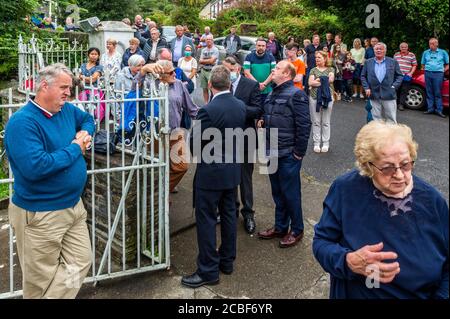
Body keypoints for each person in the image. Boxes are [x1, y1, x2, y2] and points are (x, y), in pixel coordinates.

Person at [313, 121, 449, 299]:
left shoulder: (432, 200)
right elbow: (322, 242)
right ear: (368, 165)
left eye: (406, 164)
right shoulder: (345, 190)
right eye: (387, 168)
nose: (400, 175)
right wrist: (347, 262)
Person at [5, 63, 95, 299]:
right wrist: (76, 148)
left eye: (70, 87)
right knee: (39, 283)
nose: (69, 93)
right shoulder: (22, 123)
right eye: (64, 87)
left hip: (73, 207)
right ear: (44, 86)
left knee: (81, 261)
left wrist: (85, 133)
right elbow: (37, 167)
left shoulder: (64, 110)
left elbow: (87, 118)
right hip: (41, 214)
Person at [181, 65, 246, 288]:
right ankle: (227, 261)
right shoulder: (240, 106)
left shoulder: (207, 110)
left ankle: (208, 270)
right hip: (232, 171)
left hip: (211, 174)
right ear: (229, 84)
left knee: (207, 220)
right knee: (228, 216)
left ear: (210, 84)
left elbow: (195, 145)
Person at [257, 60, 311, 248]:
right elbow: (269, 114)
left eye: (278, 68)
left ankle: (297, 229)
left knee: (291, 194)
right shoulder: (272, 92)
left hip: (288, 154)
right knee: (277, 192)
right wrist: (263, 120)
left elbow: (304, 125)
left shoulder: (297, 94)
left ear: (287, 74)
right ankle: (281, 227)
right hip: (272, 151)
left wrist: (298, 153)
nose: (274, 70)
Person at [222, 56, 262, 234]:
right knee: (229, 176)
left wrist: (236, 107)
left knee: (245, 178)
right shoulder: (221, 84)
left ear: (236, 68)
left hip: (245, 137)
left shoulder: (250, 85)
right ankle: (230, 210)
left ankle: (248, 214)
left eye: (227, 70)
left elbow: (257, 110)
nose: (225, 73)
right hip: (225, 138)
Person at [150, 60, 198, 193]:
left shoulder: (179, 85)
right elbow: (134, 88)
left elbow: (192, 109)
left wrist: (210, 116)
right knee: (156, 168)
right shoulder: (150, 85)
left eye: (174, 71)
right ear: (160, 75)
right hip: (154, 135)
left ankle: (163, 191)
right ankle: (158, 199)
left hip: (175, 133)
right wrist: (144, 70)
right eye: (171, 72)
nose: (175, 74)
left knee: (182, 166)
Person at [361, 42, 403, 123]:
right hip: (374, 94)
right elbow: (363, 76)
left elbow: (400, 76)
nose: (378, 50)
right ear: (374, 51)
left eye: (381, 49)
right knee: (376, 119)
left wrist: (394, 86)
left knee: (391, 119)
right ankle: (378, 135)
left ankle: (391, 135)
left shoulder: (392, 61)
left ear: (385, 50)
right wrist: (366, 88)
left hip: (389, 94)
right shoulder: (368, 62)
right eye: (376, 49)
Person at [308, 51, 335, 153]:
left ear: (325, 58)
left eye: (319, 57)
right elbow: (310, 82)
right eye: (316, 58)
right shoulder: (313, 70)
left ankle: (325, 143)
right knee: (316, 121)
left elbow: (331, 80)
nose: (317, 59)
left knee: (326, 122)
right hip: (314, 97)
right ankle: (316, 143)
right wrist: (323, 80)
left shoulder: (331, 69)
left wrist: (317, 80)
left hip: (328, 98)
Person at [421, 37, 449, 118]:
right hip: (428, 73)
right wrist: (425, 69)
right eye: (430, 43)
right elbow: (423, 63)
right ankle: (430, 109)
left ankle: (439, 110)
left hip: (438, 74)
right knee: (429, 91)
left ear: (437, 44)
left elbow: (448, 64)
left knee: (437, 92)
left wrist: (443, 70)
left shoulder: (443, 52)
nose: (431, 45)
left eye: (433, 43)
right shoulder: (426, 52)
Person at [243, 37, 276, 103]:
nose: (261, 47)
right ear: (256, 46)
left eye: (263, 46)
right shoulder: (249, 57)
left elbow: (273, 72)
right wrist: (257, 84)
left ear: (266, 47)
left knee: (266, 109)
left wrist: (264, 84)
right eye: (259, 45)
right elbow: (246, 73)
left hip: (267, 89)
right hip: (253, 89)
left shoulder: (271, 57)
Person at [393, 42, 418, 111]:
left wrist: (411, 73)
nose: (403, 48)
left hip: (406, 75)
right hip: (397, 76)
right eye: (402, 47)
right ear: (400, 48)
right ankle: (394, 103)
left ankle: (401, 105)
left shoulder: (411, 55)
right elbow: (393, 64)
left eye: (405, 47)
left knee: (404, 90)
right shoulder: (396, 54)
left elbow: (414, 65)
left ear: (407, 48)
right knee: (395, 89)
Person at [198, 34, 220, 103]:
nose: (208, 41)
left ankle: (213, 104)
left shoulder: (215, 50)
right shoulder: (203, 50)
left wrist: (205, 60)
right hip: (203, 71)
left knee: (212, 89)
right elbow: (200, 61)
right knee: (204, 89)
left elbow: (212, 61)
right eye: (207, 39)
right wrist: (209, 60)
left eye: (210, 39)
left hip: (212, 71)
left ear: (212, 40)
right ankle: (206, 104)